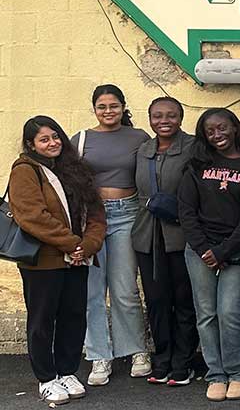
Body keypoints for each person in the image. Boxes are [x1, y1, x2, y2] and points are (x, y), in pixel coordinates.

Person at [9, 116, 105, 404]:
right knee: (42, 320)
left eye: (55, 137)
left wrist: (87, 246)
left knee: (73, 316)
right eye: (44, 139)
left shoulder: (76, 170)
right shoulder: (25, 171)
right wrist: (73, 243)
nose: (52, 143)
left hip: (77, 259)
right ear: (31, 144)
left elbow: (97, 215)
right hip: (44, 261)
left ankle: (67, 371)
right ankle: (47, 379)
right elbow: (32, 216)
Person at [71, 84, 152, 386]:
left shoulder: (139, 137)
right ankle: (99, 356)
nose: (108, 111)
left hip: (127, 215)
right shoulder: (80, 139)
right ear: (94, 108)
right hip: (90, 218)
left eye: (114, 106)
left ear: (123, 107)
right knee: (93, 291)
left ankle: (136, 351)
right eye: (102, 106)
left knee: (125, 289)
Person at [178, 108, 240, 401]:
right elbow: (186, 211)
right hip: (199, 250)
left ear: (235, 128)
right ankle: (216, 374)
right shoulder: (196, 164)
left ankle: (237, 373)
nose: (217, 135)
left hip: (236, 250)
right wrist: (204, 250)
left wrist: (223, 250)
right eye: (210, 131)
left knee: (230, 313)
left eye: (222, 128)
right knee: (207, 314)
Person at [131, 97, 199, 386]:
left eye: (171, 115)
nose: (164, 121)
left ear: (181, 118)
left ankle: (184, 362)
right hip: (147, 236)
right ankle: (162, 359)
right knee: (157, 301)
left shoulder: (193, 146)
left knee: (184, 301)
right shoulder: (143, 150)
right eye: (157, 116)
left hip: (181, 236)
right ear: (149, 119)